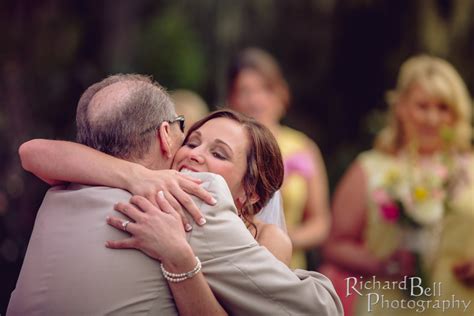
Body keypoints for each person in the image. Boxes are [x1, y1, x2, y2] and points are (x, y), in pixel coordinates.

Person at [10, 74, 343, 315]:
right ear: (167, 138)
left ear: (252, 191)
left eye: (220, 154)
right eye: (192, 141)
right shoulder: (187, 198)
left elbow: (34, 152)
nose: (196, 154)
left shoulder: (61, 191)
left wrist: (181, 259)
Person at [322, 55, 474, 316]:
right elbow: (335, 244)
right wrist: (383, 266)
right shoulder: (369, 168)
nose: (432, 118)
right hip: (388, 305)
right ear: (401, 107)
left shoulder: (469, 167)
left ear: (457, 113)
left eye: (442, 107)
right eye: (422, 106)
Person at [227, 47, 331, 269]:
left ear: (280, 94)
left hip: (288, 266)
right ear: (232, 98)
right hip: (231, 259)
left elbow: (320, 222)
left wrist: (278, 241)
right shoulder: (224, 147)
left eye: (264, 89)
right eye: (245, 91)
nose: (255, 100)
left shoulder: (303, 148)